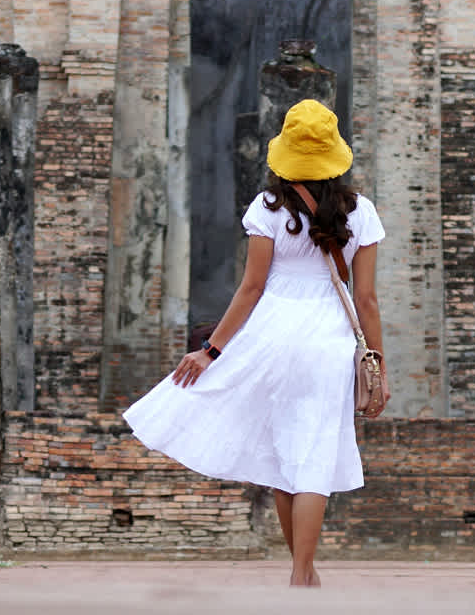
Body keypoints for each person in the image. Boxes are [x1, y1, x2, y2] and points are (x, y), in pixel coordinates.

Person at [123, 98, 389, 586]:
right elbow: (366, 299)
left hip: (271, 335)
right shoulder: (361, 211)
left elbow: (251, 289)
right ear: (334, 153)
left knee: (285, 457)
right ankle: (303, 572)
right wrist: (377, 365)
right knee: (313, 456)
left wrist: (211, 351)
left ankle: (301, 572)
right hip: (328, 339)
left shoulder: (268, 208)